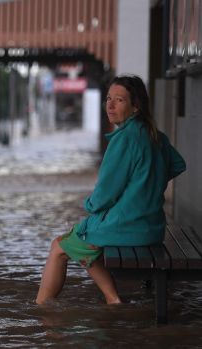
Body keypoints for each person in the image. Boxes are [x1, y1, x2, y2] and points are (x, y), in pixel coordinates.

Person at [35, 74, 187, 305]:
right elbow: (178, 164)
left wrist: (89, 205)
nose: (111, 105)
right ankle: (112, 299)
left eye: (120, 100)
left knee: (59, 247)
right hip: (152, 226)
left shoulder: (124, 139)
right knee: (82, 239)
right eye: (108, 99)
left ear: (136, 107)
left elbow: (105, 194)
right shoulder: (155, 135)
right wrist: (148, 184)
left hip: (128, 227)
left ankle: (41, 310)